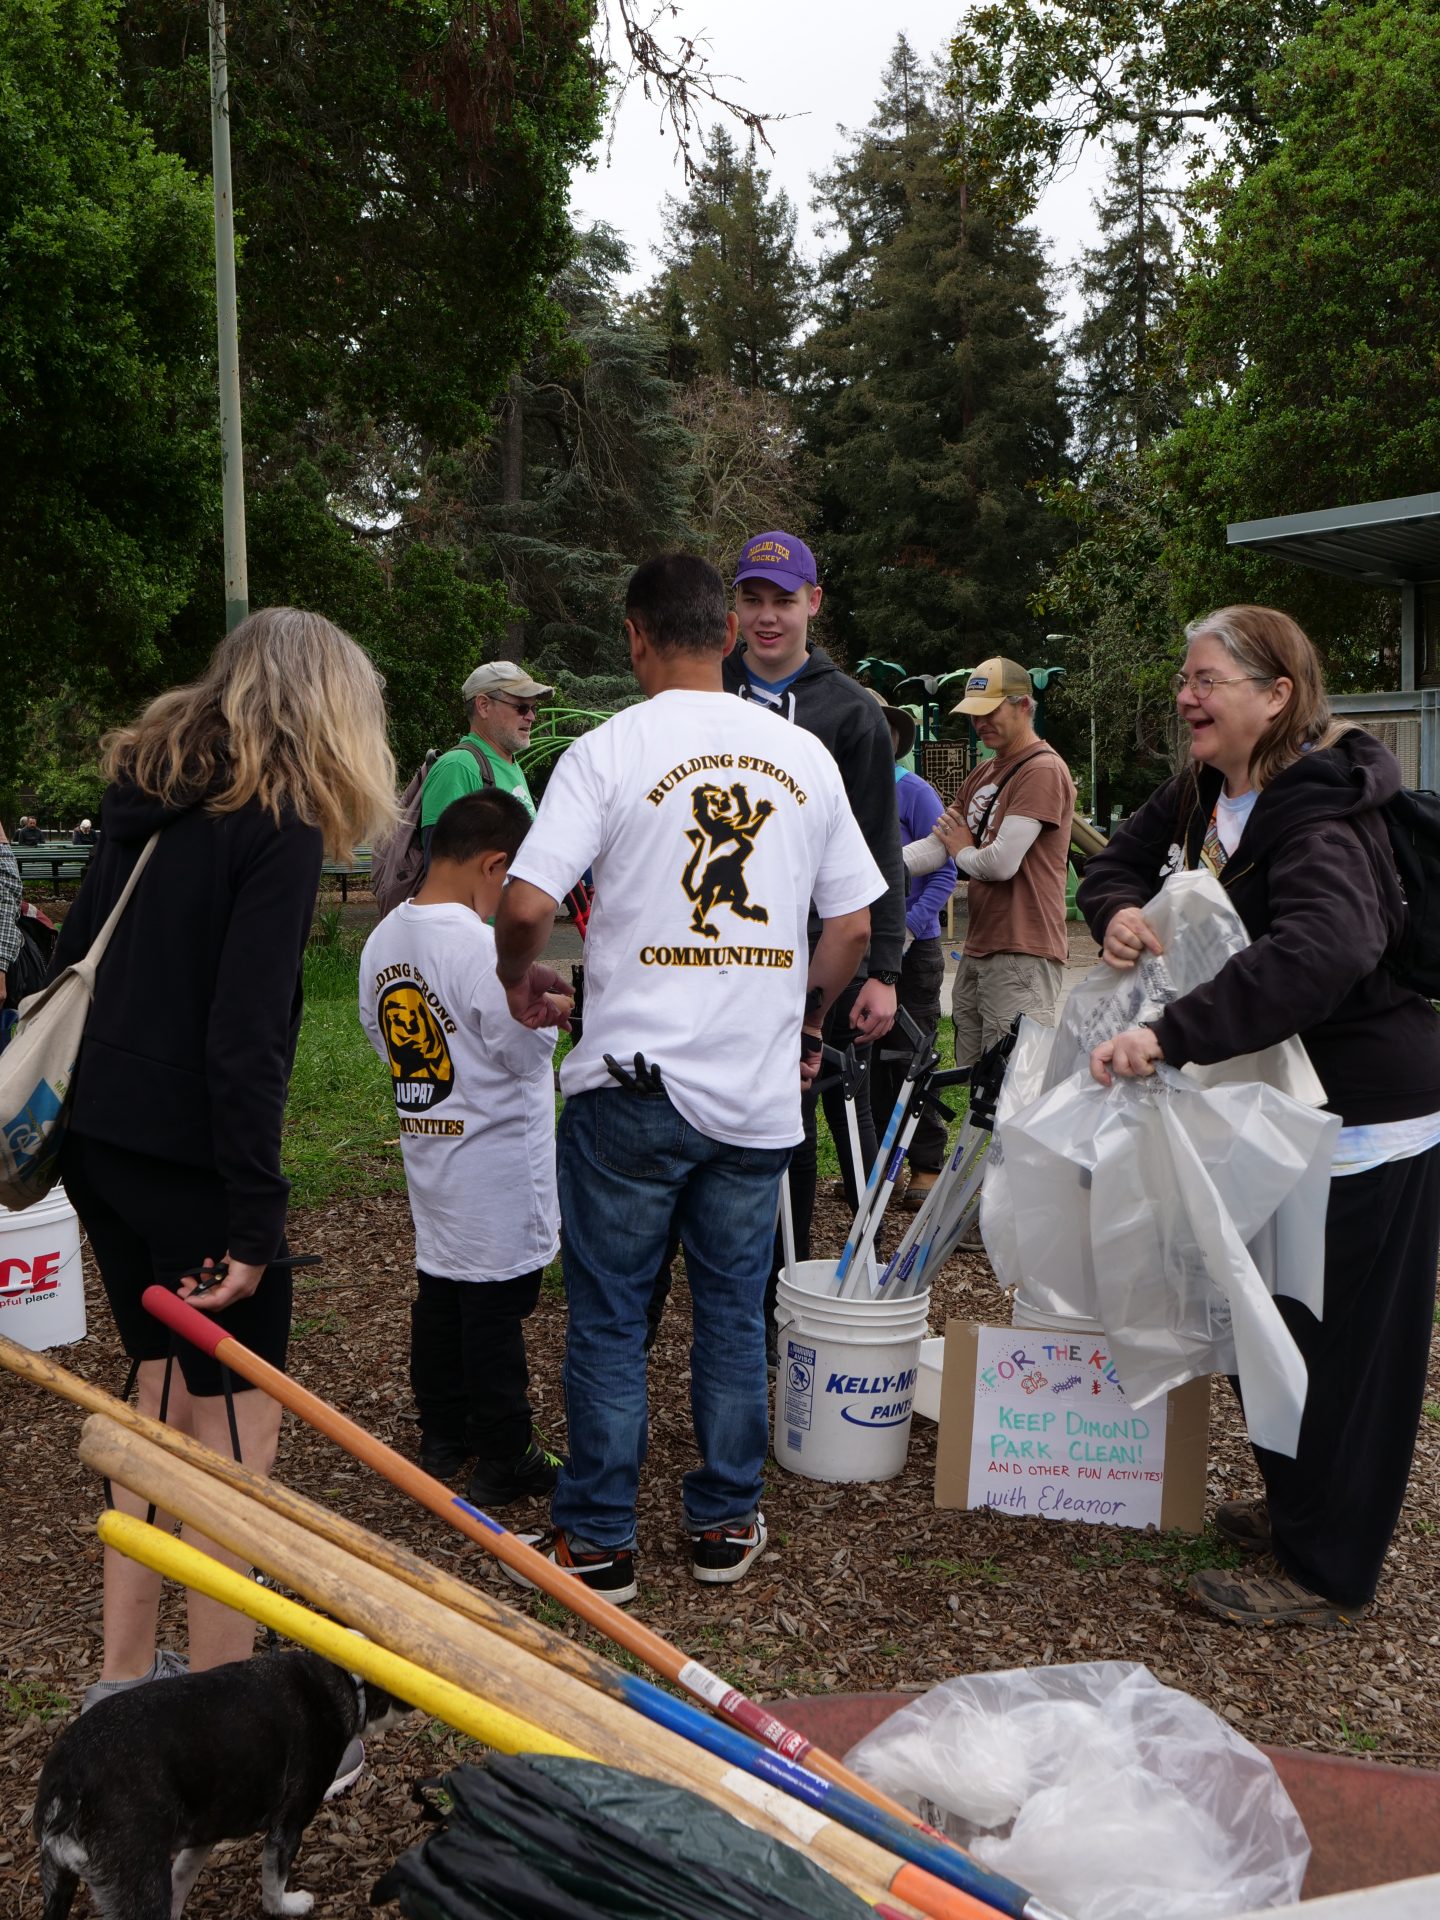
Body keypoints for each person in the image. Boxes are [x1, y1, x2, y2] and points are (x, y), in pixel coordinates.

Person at [494, 553, 884, 1601]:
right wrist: (805, 1019)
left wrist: (516, 974)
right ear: (723, 634)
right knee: (731, 1312)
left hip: (632, 1086)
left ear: (633, 637)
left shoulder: (609, 750)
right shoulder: (802, 756)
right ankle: (721, 1523)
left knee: (615, 1316)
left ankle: (601, 1543)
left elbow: (528, 903)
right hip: (754, 1099)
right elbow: (850, 926)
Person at [49, 608, 395, 1762]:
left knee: (154, 1406)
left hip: (99, 1139)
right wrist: (257, 1219)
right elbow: (246, 1039)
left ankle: (118, 1683)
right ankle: (219, 1727)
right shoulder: (279, 820)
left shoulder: (147, 795)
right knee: (232, 1445)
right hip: (196, 1160)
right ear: (330, 709)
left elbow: (70, 964)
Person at [1077, 605, 1440, 1627]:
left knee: (1346, 1351)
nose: (1185, 697)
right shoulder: (1205, 791)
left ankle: (1326, 1572)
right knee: (1267, 1319)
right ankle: (1298, 1513)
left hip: (1365, 1119)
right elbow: (1109, 864)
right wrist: (1118, 914)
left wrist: (1172, 1032)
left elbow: (1324, 950)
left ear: (1275, 695)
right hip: (1270, 1113)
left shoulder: (1319, 811)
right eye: (1183, 680)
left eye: (1206, 681)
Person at [359, 788, 564, 1509]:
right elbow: (520, 1049)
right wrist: (554, 1018)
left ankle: (444, 1431)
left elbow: (381, 1032)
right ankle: (506, 1453)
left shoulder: (384, 939)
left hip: (432, 1148)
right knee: (494, 1310)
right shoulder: (477, 946)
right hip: (495, 1161)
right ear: (496, 864)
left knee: (442, 1292)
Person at [724, 531, 904, 1277]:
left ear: (814, 605)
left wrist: (884, 970)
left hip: (807, 962)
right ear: (732, 606)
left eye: (785, 602)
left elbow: (878, 847)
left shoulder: (851, 713)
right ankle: (718, 1272)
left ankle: (774, 1292)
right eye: (753, 600)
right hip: (713, 947)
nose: (768, 618)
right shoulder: (704, 689)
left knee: (789, 1124)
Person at [907, 657, 1075, 1067]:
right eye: (973, 714)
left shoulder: (1042, 770)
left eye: (989, 711)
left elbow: (1000, 864)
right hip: (980, 948)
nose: (979, 722)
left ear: (1023, 706)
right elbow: (935, 846)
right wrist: (869, 865)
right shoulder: (984, 772)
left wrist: (962, 850)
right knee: (972, 1078)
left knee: (1012, 1087)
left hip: (1023, 950)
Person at [865, 690, 956, 1210]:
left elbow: (944, 869)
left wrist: (910, 928)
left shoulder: (915, 792)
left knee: (914, 1054)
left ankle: (925, 1164)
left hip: (911, 949)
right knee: (868, 1060)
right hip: (859, 949)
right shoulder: (849, 794)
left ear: (894, 739)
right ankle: (877, 1168)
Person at [420, 660, 552, 859]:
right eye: (522, 707)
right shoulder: (458, 766)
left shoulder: (509, 763)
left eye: (535, 708)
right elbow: (443, 872)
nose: (531, 717)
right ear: (483, 706)